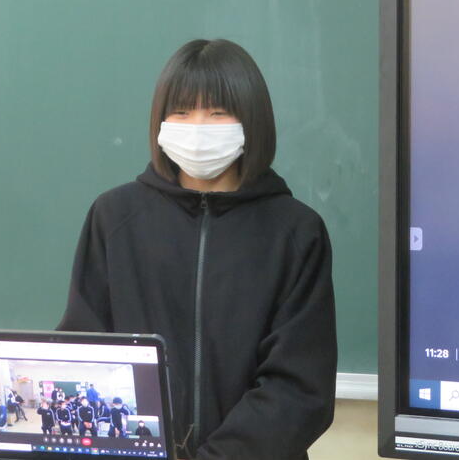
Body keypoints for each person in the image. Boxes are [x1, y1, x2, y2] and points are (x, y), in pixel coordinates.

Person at [57, 39, 336, 460]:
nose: (199, 127)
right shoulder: (114, 217)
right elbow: (84, 352)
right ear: (160, 121)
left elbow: (298, 388)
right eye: (183, 112)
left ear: (252, 120)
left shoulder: (296, 231)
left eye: (218, 113)